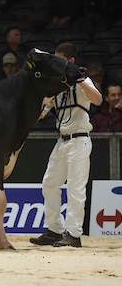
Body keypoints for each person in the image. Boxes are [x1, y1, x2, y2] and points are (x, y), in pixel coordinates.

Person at [30, 42, 102, 247]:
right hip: (61, 142)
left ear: (69, 60)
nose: (55, 62)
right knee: (49, 183)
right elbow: (42, 111)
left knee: (75, 188)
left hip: (79, 140)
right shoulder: (58, 84)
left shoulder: (82, 78)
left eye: (58, 59)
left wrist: (79, 79)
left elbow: (97, 100)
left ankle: (73, 234)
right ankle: (54, 229)